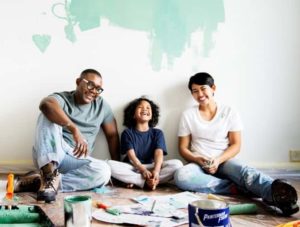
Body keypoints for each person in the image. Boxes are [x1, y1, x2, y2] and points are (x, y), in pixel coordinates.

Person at [174, 72, 299, 216]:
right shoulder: (188, 115)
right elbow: (183, 148)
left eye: (203, 89)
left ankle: (276, 195)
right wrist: (197, 159)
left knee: (245, 171)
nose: (200, 94)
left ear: (213, 88)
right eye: (195, 91)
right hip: (199, 164)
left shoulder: (229, 111)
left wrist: (218, 160)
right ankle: (237, 188)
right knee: (181, 175)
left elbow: (236, 145)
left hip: (225, 161)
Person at [14, 69, 120, 203]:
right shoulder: (63, 98)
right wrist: (74, 129)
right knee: (46, 114)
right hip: (54, 152)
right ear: (78, 82)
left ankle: (42, 183)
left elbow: (112, 135)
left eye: (98, 89)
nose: (93, 91)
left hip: (78, 159)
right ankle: (48, 173)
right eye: (90, 85)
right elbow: (45, 104)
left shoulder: (102, 106)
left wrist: (117, 168)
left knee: (104, 172)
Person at [108, 97, 183, 190]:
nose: (145, 109)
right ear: (133, 114)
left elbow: (159, 153)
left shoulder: (158, 133)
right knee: (108, 165)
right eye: (140, 107)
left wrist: (156, 171)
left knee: (177, 164)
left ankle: (146, 180)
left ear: (152, 115)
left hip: (152, 166)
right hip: (134, 167)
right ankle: (146, 182)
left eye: (148, 107)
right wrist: (142, 170)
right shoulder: (127, 133)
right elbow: (131, 157)